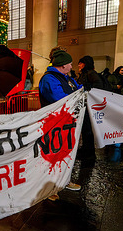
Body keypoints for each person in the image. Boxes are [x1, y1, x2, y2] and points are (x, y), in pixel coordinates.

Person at [39, 49, 82, 199]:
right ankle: (50, 187)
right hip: (54, 124)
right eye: (70, 63)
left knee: (66, 153)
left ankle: (64, 180)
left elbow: (78, 90)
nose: (71, 66)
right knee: (53, 155)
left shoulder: (66, 77)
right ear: (63, 65)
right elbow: (60, 99)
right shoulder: (49, 79)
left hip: (67, 123)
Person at [76, 56, 102, 163]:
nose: (79, 65)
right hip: (84, 104)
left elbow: (98, 85)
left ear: (85, 64)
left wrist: (88, 88)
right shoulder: (84, 74)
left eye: (81, 63)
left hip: (89, 105)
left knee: (88, 130)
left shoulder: (91, 73)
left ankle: (90, 153)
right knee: (85, 129)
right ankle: (85, 150)